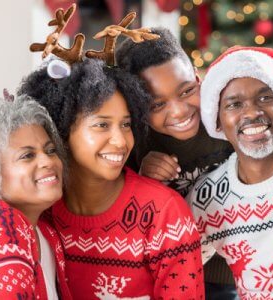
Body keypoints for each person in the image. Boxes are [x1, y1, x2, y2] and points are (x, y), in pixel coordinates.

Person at [18, 57, 204, 299]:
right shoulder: (42, 212)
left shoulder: (163, 213)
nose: (120, 141)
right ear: (60, 131)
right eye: (102, 125)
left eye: (126, 125)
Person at [116, 27, 237, 299]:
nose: (179, 111)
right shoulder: (136, 143)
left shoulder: (224, 119)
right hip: (169, 278)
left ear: (198, 79)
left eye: (186, 91)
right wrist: (144, 179)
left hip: (230, 273)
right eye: (157, 105)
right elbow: (125, 214)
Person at [188, 46, 273, 298]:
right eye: (234, 104)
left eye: (265, 98)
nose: (252, 112)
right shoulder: (207, 198)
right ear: (217, 121)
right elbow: (178, 268)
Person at [0, 95, 71, 299]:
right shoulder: (1, 232)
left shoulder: (47, 233)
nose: (48, 161)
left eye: (51, 150)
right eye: (27, 155)